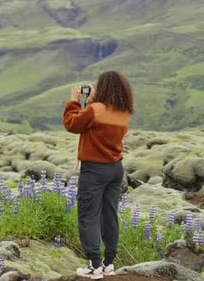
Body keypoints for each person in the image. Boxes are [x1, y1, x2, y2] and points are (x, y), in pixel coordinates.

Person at [62, 70, 134, 279]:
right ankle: (108, 262)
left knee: (88, 215)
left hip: (94, 170)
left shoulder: (95, 110)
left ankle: (94, 265)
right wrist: (92, 103)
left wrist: (75, 101)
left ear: (103, 87)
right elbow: (95, 125)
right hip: (115, 168)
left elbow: (72, 124)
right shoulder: (123, 112)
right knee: (109, 214)